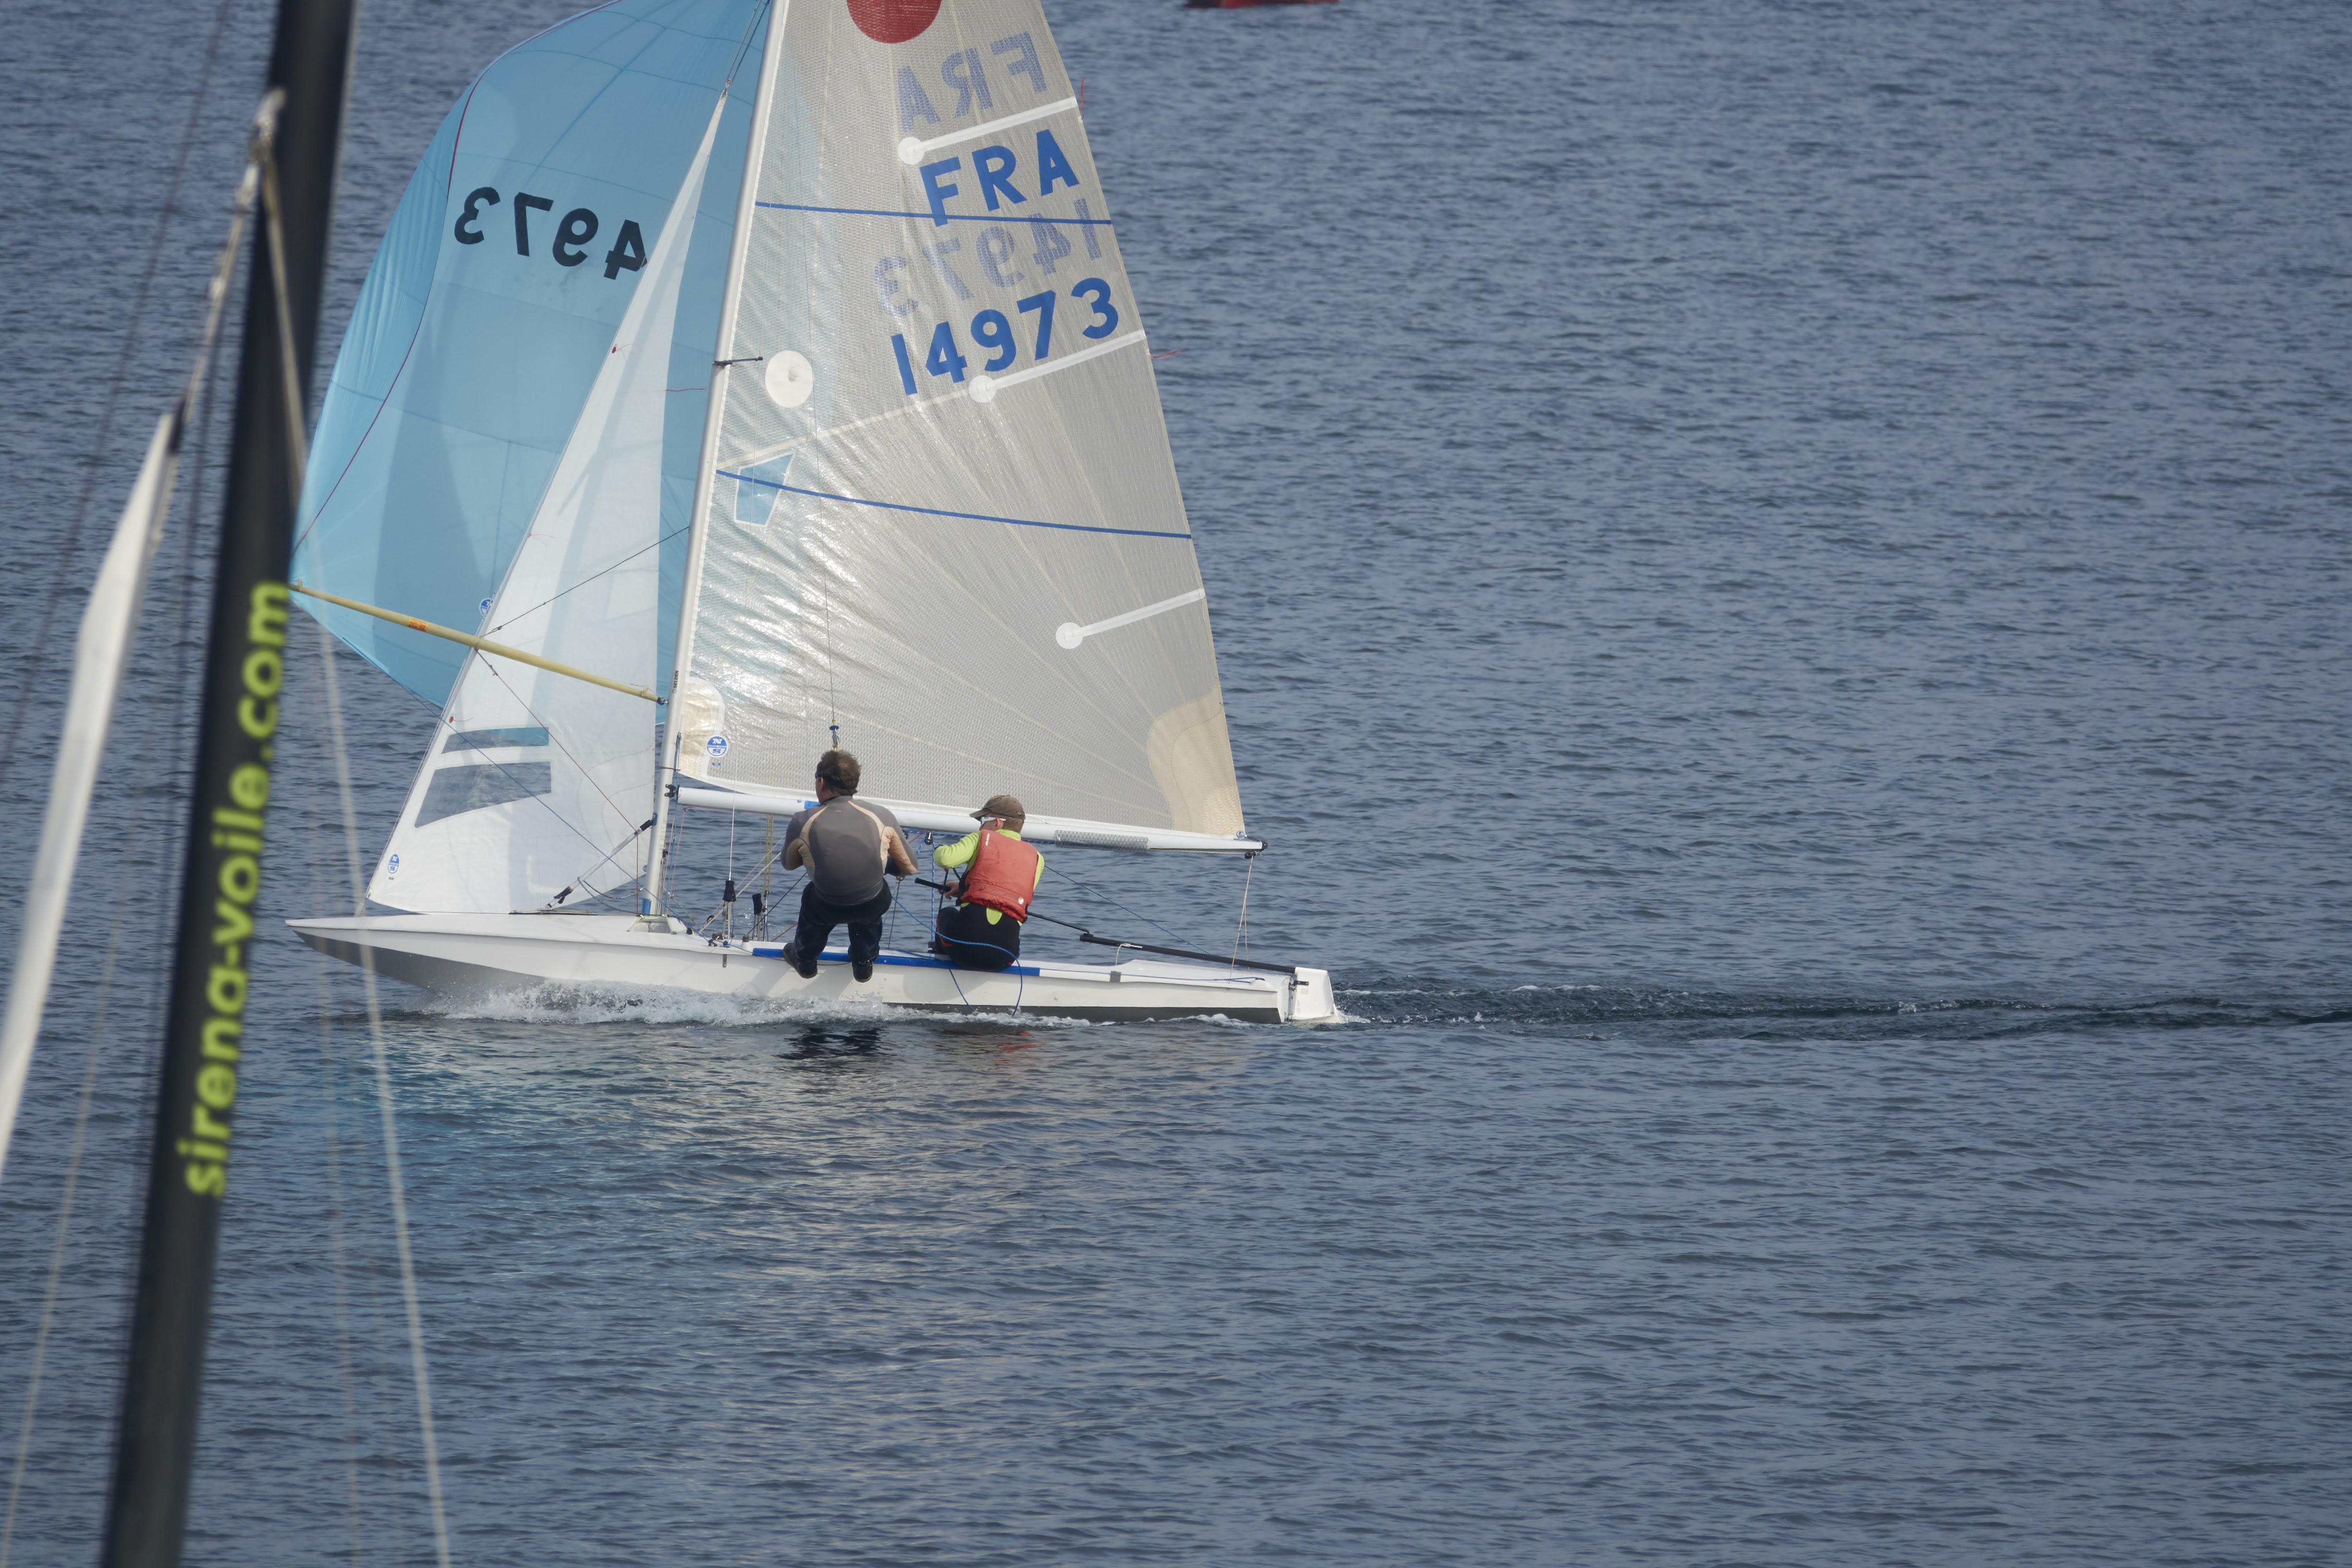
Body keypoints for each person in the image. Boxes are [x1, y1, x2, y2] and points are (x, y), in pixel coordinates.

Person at [780, 749, 916, 983]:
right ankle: (863, 963)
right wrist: (882, 862)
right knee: (873, 893)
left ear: (821, 782)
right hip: (871, 904)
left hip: (826, 906)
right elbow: (910, 867)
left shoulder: (803, 820)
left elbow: (789, 864)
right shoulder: (881, 815)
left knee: (813, 897)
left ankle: (805, 960)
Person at [929, 793, 1044, 971]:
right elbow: (1011, 892)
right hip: (1004, 958)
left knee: (947, 913)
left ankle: (940, 963)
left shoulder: (980, 838)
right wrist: (963, 888)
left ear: (997, 823)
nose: (981, 827)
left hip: (963, 951)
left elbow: (945, 859)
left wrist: (939, 848)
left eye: (983, 821)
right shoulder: (1037, 858)